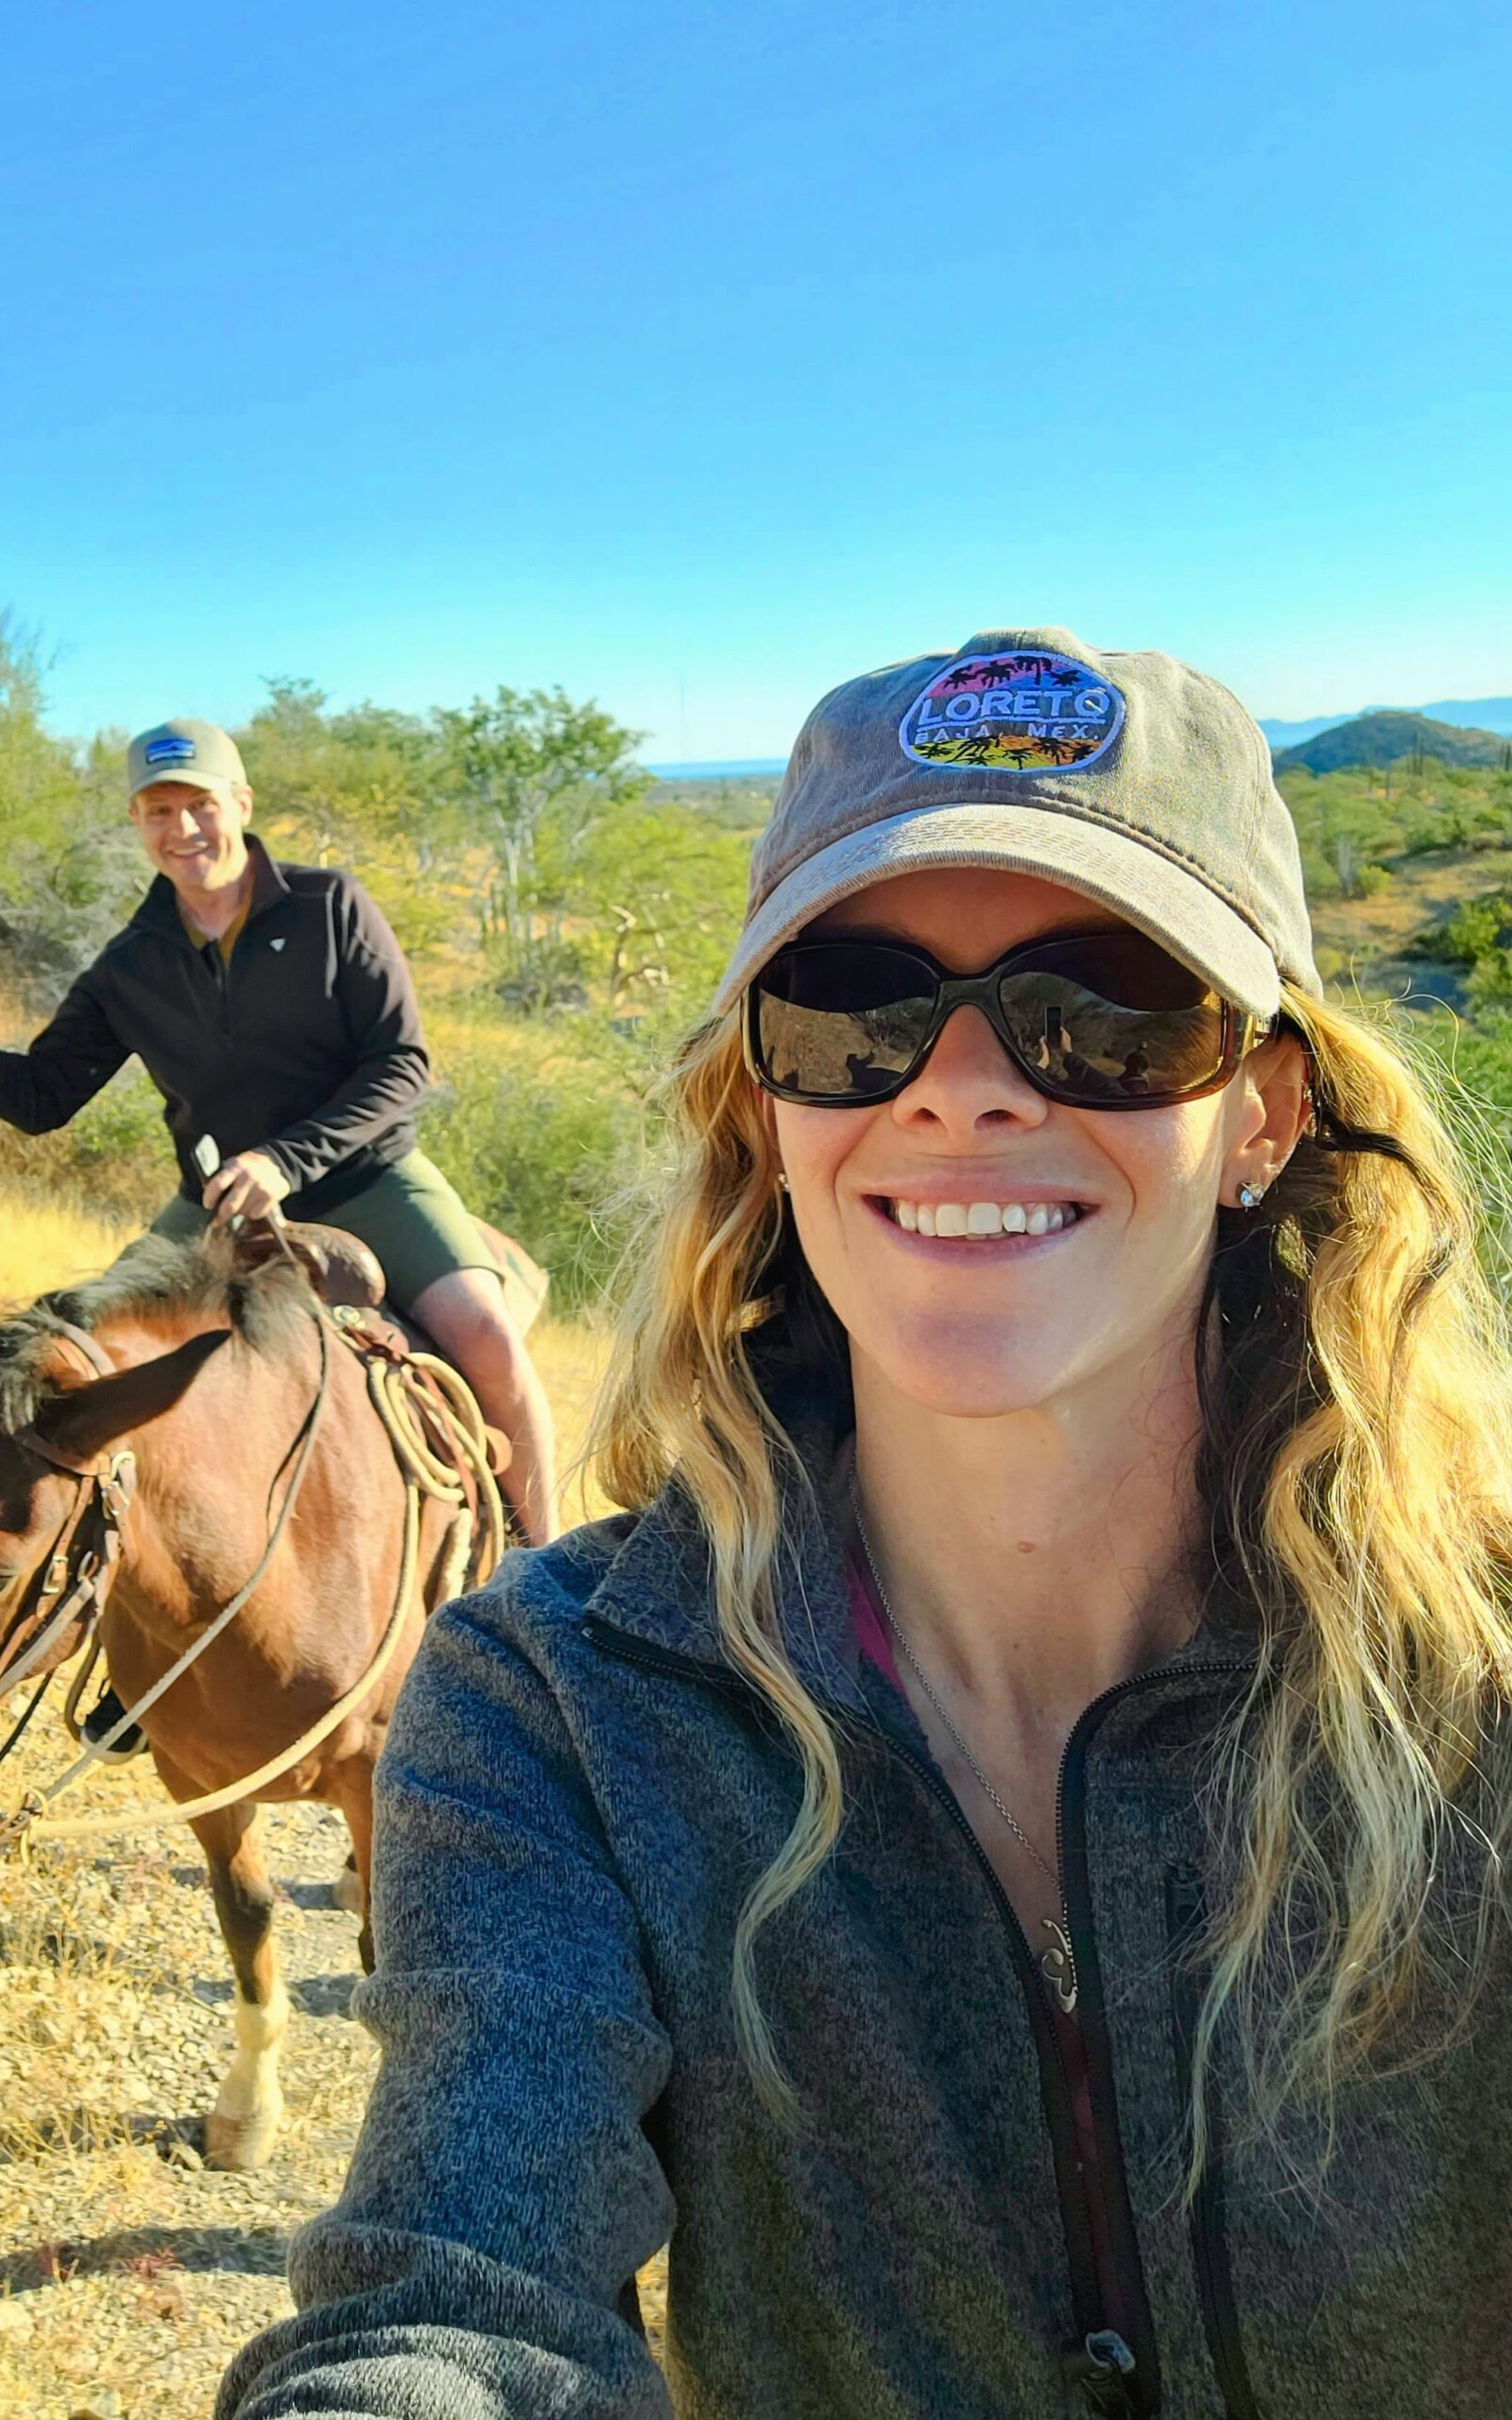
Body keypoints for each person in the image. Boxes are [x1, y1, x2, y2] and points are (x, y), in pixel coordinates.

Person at [215, 629, 1512, 2416]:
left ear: (1263, 1117)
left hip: (351, 1162)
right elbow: (457, 2303)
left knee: (474, 1336)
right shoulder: (560, 1708)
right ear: (765, 1104)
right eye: (852, 1009)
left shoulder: (1481, 1684)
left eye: (1110, 1012)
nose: (961, 1086)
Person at [0, 715, 558, 1574]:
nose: (183, 828)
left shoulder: (329, 907)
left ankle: (544, 1568)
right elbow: (40, 1097)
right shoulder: (134, 963)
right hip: (215, 1209)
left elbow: (400, 1066)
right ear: (136, 823)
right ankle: (102, 1619)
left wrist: (285, 1159)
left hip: (366, 1178)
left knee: (487, 1337)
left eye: (197, 803)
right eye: (157, 811)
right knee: (83, 1359)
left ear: (239, 802)